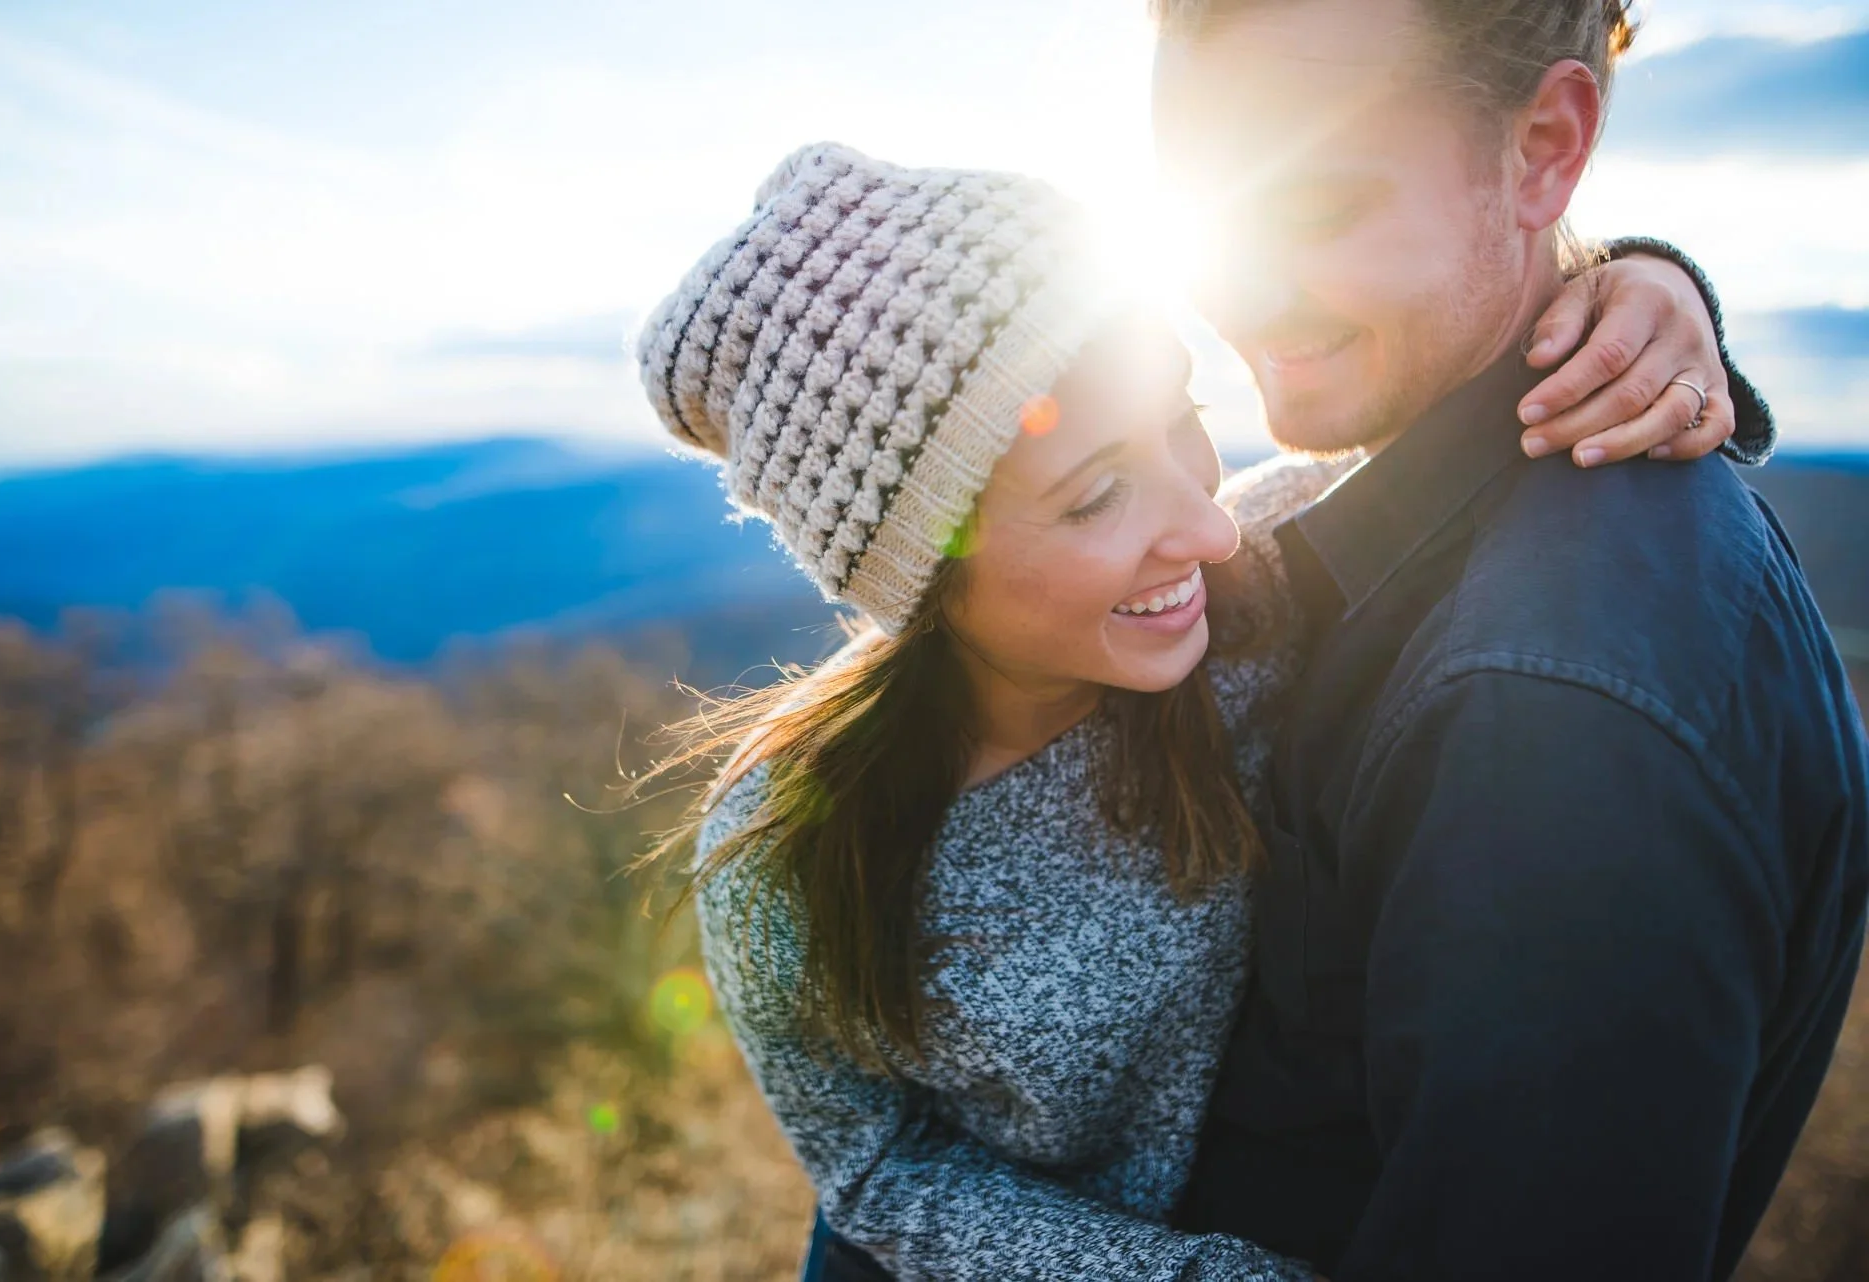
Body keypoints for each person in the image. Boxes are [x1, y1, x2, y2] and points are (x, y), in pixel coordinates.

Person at [632, 136, 1770, 1281]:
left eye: (1183, 417)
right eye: (1099, 495)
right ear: (915, 577)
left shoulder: (1256, 591)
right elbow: (876, 1169)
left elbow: (1478, 423)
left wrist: (1650, 282)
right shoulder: (790, 852)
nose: (1210, 526)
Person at [1148, 2, 1869, 1279]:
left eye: (1315, 206)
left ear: (1545, 146)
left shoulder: (1552, 715)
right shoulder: (1448, 545)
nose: (1239, 292)